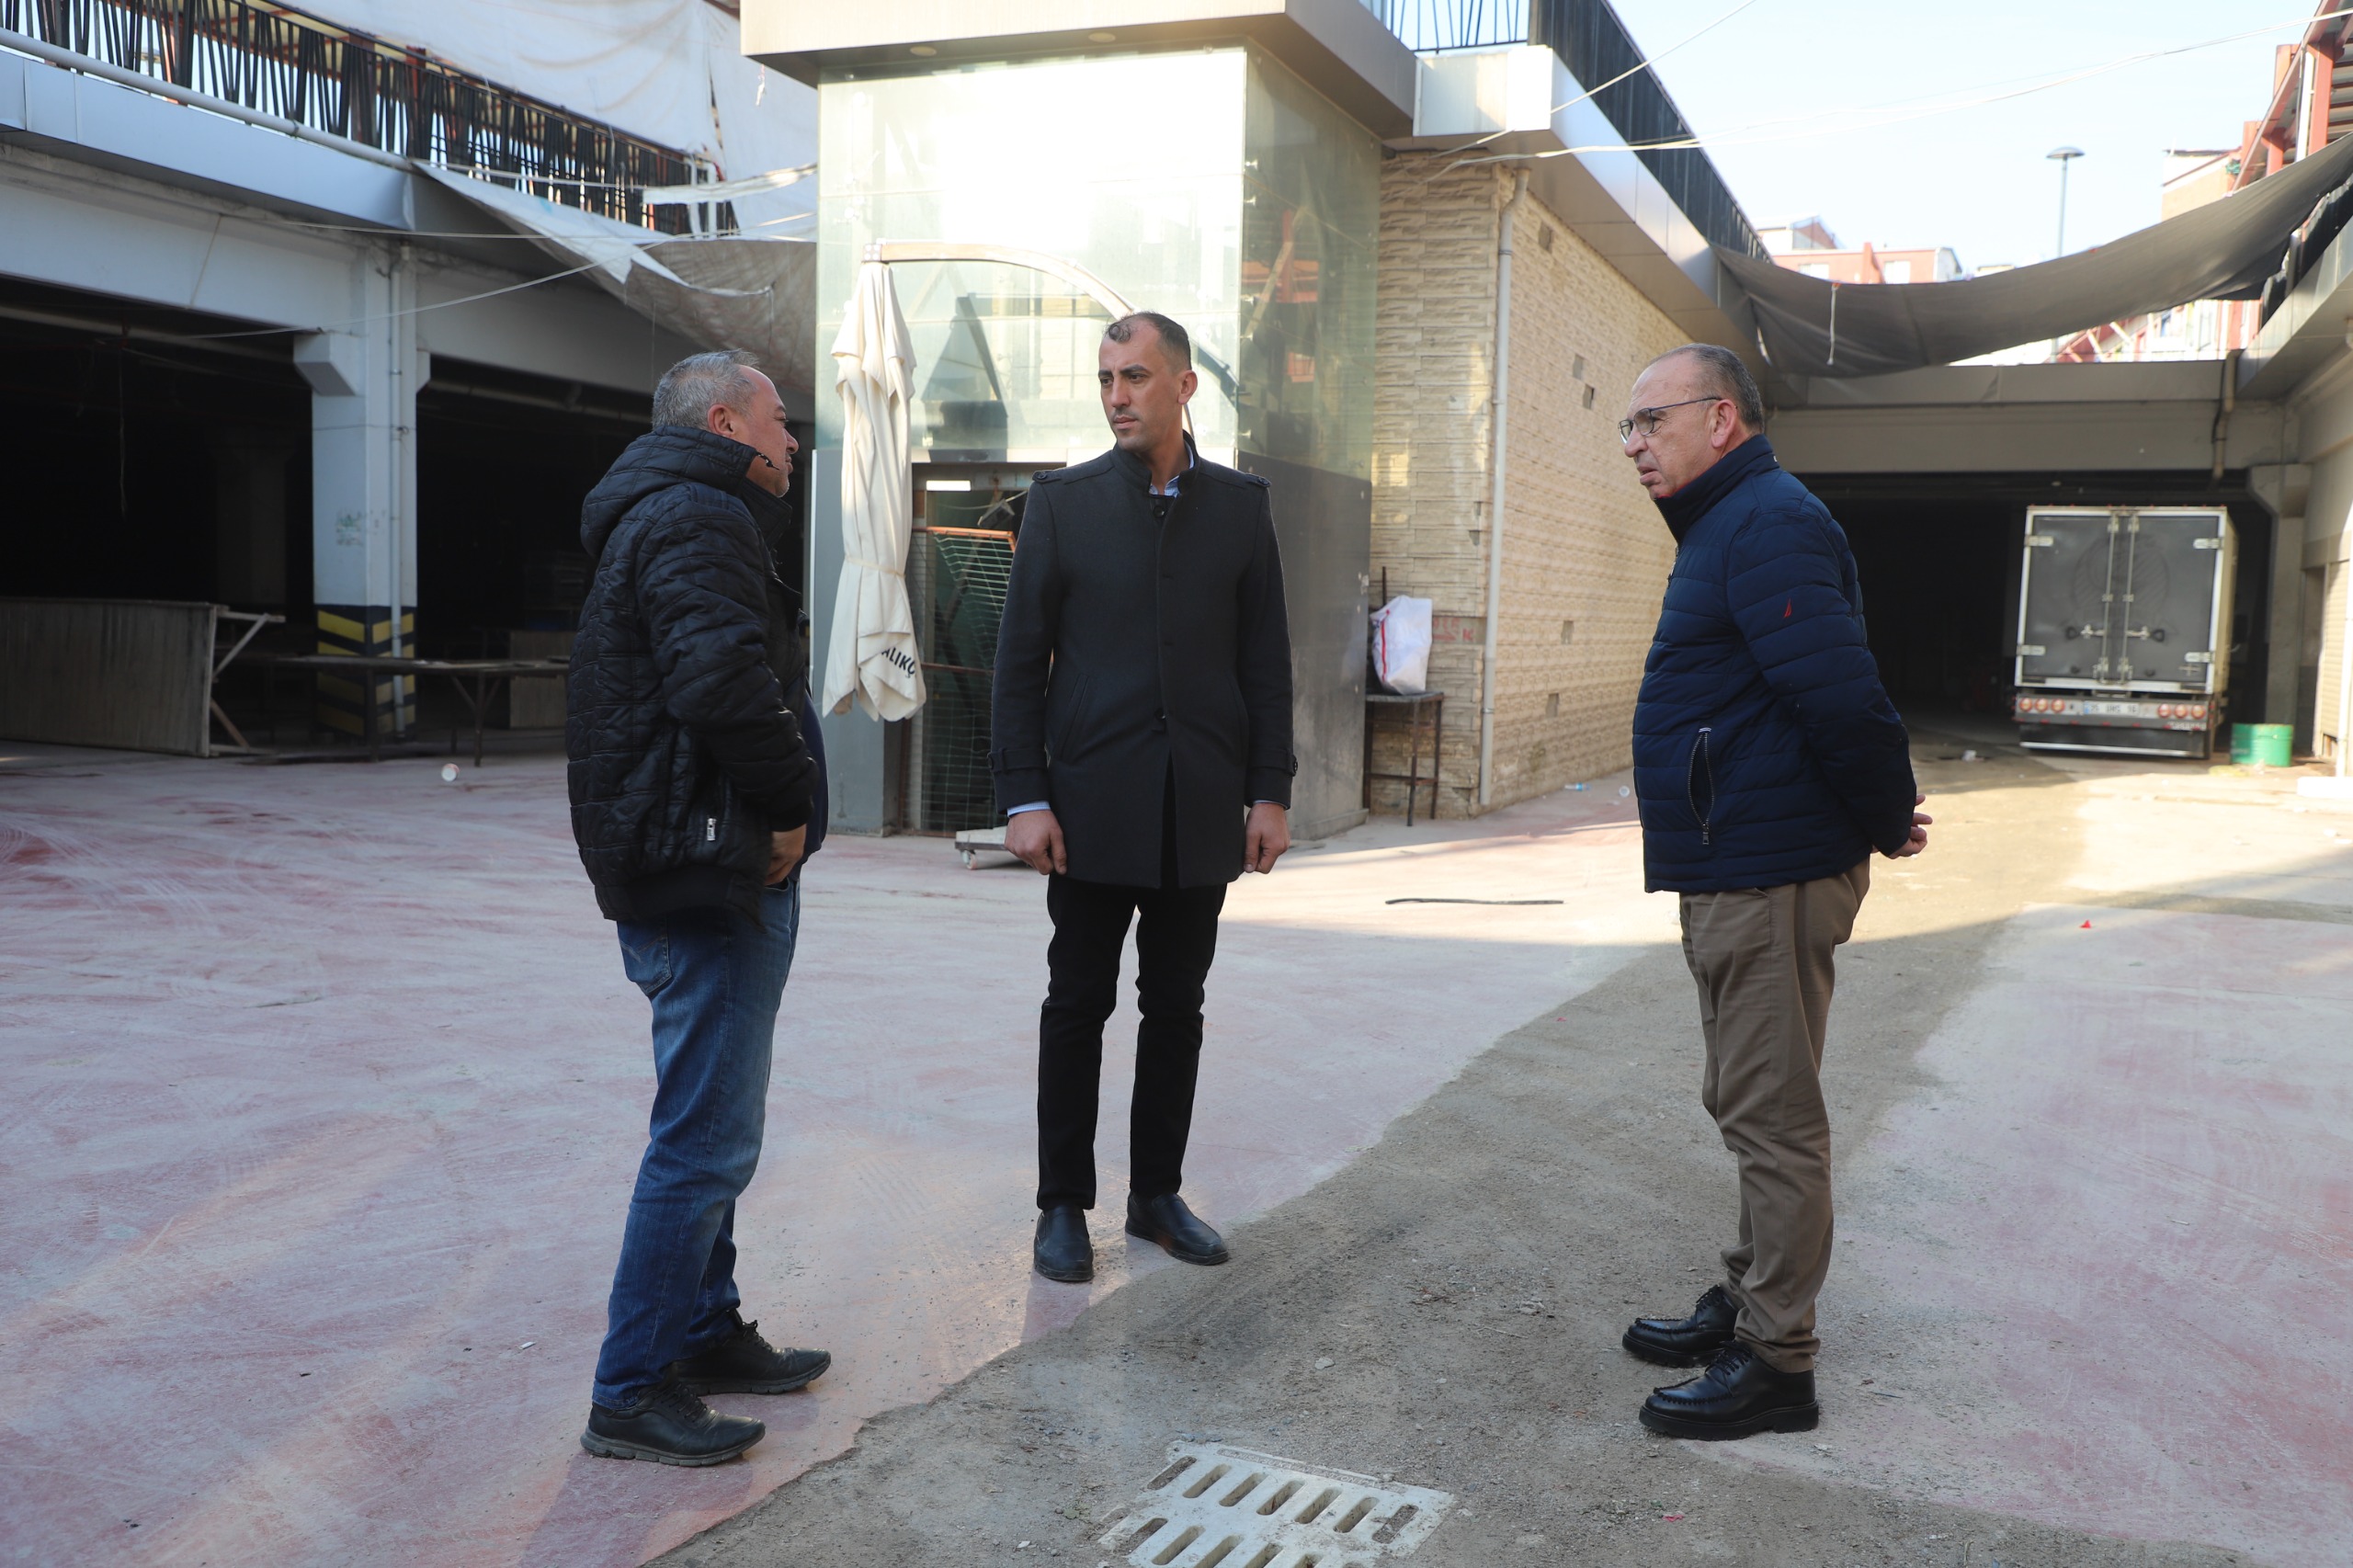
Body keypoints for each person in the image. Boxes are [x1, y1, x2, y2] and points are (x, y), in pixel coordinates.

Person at [1616, 343, 1929, 1440]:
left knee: (1773, 1113)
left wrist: (1885, 812)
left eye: (1651, 421)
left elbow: (1840, 694)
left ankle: (1776, 1360)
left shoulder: (1766, 523)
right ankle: (1753, 1292)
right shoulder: (1728, 522)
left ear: (1721, 419)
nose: (1634, 444)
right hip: (1736, 858)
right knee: (1743, 1096)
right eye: (1627, 426)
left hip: (1769, 867)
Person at [566, 349, 834, 1466]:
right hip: (710, 869)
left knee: (710, 1124)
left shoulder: (675, 509)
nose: (793, 439)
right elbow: (721, 681)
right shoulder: (697, 514)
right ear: (724, 423)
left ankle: (704, 1329)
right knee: (704, 1140)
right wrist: (791, 804)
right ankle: (631, 1389)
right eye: (777, 419)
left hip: (689, 858)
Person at [991, 312, 1297, 1285]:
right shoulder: (1063, 504)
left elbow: (1266, 662)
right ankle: (1061, 1205)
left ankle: (1155, 1196)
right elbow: (1018, 665)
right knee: (1076, 1003)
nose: (1116, 396)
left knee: (1176, 1007)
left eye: (1135, 376)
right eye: (1105, 379)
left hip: (1199, 809)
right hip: (1087, 807)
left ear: (1184, 386)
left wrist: (1270, 791)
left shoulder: (1241, 508)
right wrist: (1023, 797)